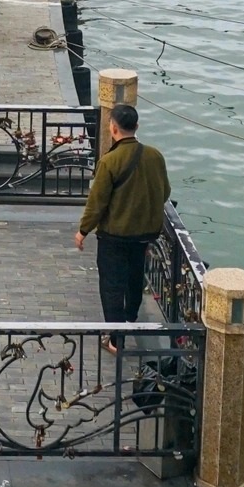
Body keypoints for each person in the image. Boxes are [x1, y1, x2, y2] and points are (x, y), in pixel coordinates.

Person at [74, 104, 171, 351]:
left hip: (115, 236)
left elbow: (97, 203)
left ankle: (116, 339)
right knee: (135, 277)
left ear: (113, 128)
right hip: (143, 235)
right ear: (136, 127)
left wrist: (83, 230)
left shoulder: (109, 162)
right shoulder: (155, 156)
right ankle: (131, 319)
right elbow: (165, 191)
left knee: (112, 285)